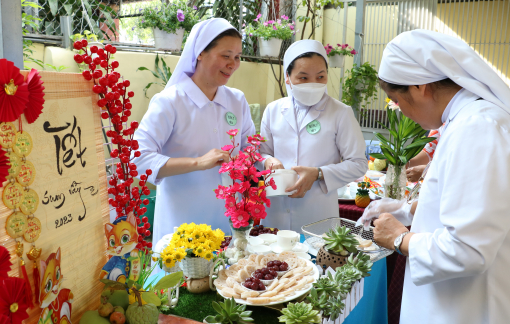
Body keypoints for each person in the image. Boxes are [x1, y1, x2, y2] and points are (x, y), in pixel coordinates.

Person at [360, 29, 510, 323]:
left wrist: (400, 238)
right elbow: (465, 205)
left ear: (420, 86)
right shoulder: (465, 120)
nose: (400, 111)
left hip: (464, 307)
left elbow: (468, 249)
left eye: (396, 100)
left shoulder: (476, 127)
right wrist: (405, 209)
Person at [132, 18, 256, 247]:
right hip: (181, 222)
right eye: (226, 55)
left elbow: (250, 148)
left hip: (228, 221)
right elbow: (138, 158)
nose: (233, 64)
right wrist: (198, 162)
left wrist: (258, 162)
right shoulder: (170, 102)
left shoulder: (236, 101)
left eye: (237, 57)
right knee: (183, 278)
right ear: (200, 52)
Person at [259, 39, 367, 232]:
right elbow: (261, 153)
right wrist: (268, 161)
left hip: (318, 214)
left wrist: (319, 173)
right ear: (287, 77)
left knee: (315, 260)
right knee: (272, 259)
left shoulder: (340, 112)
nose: (313, 84)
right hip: (274, 211)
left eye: (320, 77)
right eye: (303, 77)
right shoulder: (273, 110)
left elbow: (358, 163)